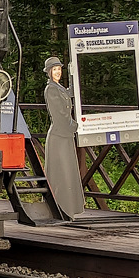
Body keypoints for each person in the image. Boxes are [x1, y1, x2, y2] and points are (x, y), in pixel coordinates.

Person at [42, 55, 85, 219]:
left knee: (68, 172)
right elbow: (59, 114)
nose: (58, 72)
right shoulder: (51, 89)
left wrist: (73, 74)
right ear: (49, 72)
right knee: (61, 174)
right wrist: (74, 125)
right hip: (59, 136)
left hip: (65, 135)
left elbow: (71, 93)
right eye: (54, 69)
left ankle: (68, 210)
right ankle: (60, 210)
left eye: (59, 69)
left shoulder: (59, 87)